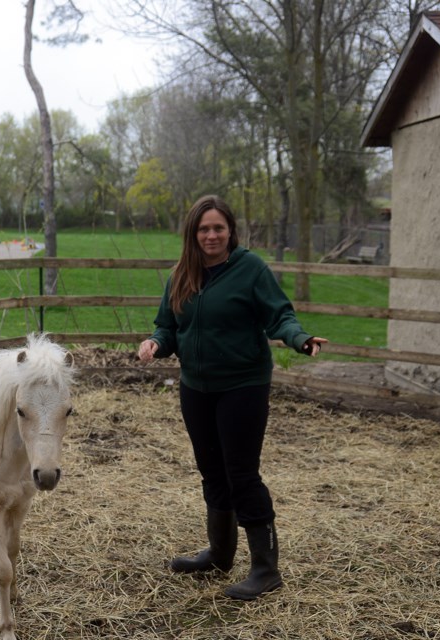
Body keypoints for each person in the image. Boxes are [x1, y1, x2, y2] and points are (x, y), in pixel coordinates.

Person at [137, 194, 328, 601]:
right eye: (203, 229)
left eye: (218, 228)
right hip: (196, 388)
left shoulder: (250, 269)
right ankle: (220, 555)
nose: (211, 235)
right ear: (193, 233)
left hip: (243, 385)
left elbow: (280, 315)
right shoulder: (181, 275)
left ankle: (265, 569)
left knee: (242, 473)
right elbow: (168, 327)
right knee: (212, 471)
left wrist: (299, 338)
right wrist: (156, 342)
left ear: (230, 231)